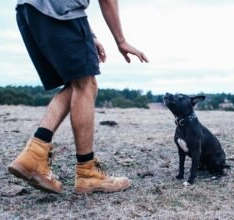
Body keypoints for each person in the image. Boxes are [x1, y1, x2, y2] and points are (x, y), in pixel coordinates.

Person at [8, 0, 148, 194]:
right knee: (86, 85)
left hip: (29, 10)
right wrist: (121, 40)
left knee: (77, 83)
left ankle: (34, 154)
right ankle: (87, 172)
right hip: (59, 12)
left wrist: (89, 35)